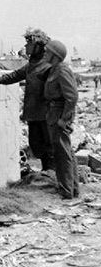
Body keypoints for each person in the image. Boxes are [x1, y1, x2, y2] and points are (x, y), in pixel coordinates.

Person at [0, 28, 53, 170]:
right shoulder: (31, 66)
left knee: (50, 148)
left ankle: (52, 176)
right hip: (33, 115)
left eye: (29, 44)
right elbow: (15, 75)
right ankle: (47, 173)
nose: (25, 47)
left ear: (38, 46)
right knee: (37, 147)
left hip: (46, 116)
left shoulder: (48, 66)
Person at [42, 39, 79, 199]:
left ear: (55, 55)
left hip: (59, 115)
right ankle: (72, 189)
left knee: (62, 154)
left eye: (47, 51)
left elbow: (72, 97)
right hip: (54, 114)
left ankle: (66, 191)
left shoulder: (62, 70)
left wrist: (65, 119)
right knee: (65, 152)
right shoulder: (54, 69)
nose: (44, 53)